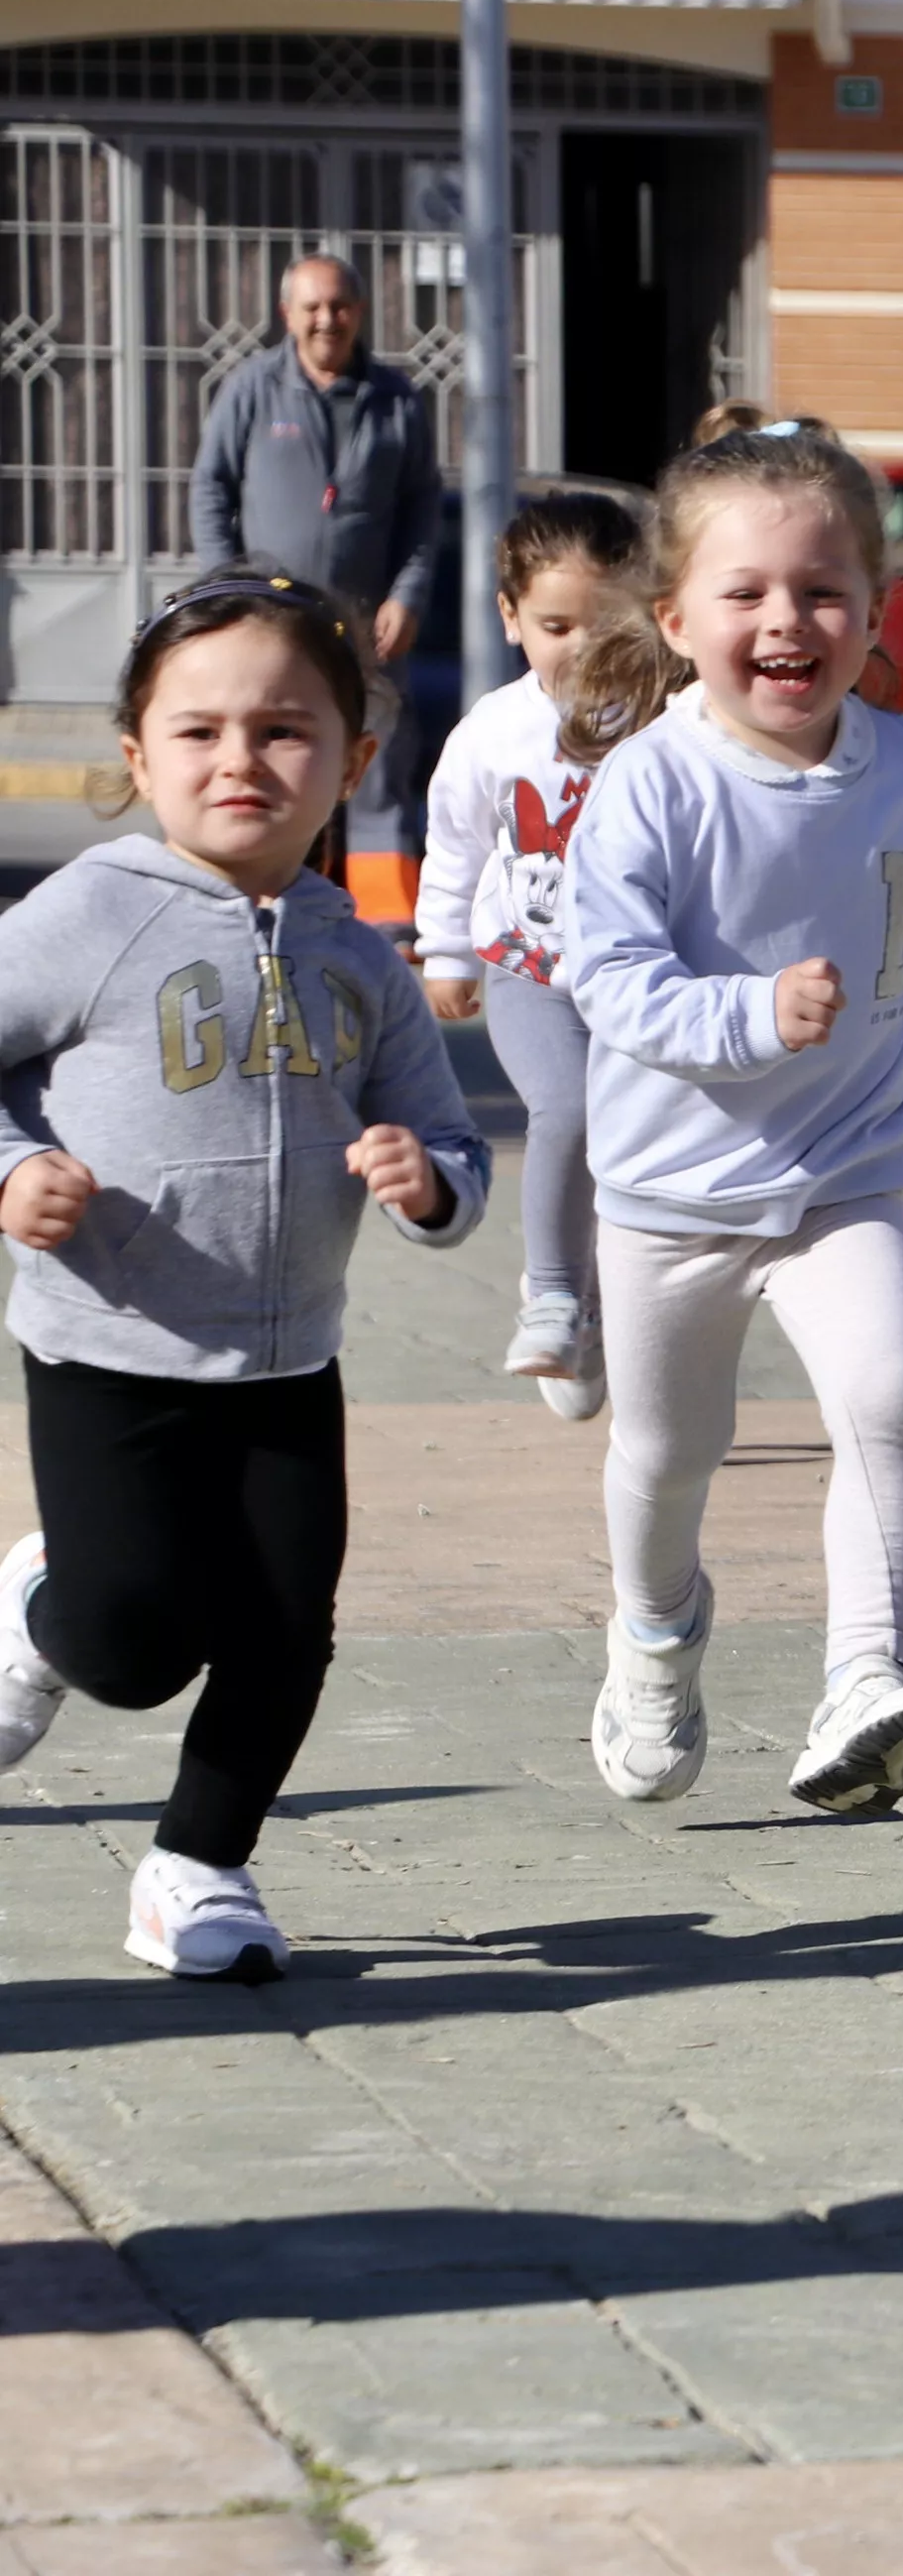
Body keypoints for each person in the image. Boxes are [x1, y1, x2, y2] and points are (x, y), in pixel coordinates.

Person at [0, 574, 489, 1978]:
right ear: (137, 755)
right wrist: (12, 1174)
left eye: (284, 731)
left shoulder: (356, 953)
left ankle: (199, 1868)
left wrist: (431, 1177)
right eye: (199, 731)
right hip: (107, 1343)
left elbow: (449, 1128)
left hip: (288, 1358)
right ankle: (41, 1605)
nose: (240, 761)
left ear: (354, 758)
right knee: (134, 1642)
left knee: (287, 1624)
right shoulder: (89, 917)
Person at [559, 422, 903, 1820]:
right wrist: (751, 1015)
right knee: (665, 1455)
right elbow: (612, 979)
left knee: (892, 1400)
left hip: (847, 1170)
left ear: (876, 616)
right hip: (667, 1195)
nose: (788, 621)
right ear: (676, 621)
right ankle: (653, 1642)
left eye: (826, 593)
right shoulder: (649, 783)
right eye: (748, 592)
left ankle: (862, 1682)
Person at [412, 490, 644, 1422]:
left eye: (606, 623)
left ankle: (606, 1308)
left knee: (638, 1153)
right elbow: (456, 844)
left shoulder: (667, 719)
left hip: (644, 979)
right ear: (510, 618)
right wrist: (446, 952)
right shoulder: (492, 733)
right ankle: (553, 1292)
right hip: (529, 972)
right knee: (571, 1110)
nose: (582, 648)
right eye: (555, 625)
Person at [185, 253, 447, 932]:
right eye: (313, 307)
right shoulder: (251, 389)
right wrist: (228, 583)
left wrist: (408, 596)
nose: (327, 319)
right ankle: (276, 897)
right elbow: (210, 486)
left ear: (359, 312)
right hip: (270, 622)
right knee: (281, 753)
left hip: (368, 626)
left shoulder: (396, 398)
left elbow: (422, 508)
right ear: (288, 315)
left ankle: (386, 920)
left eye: (340, 306)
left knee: (379, 761)